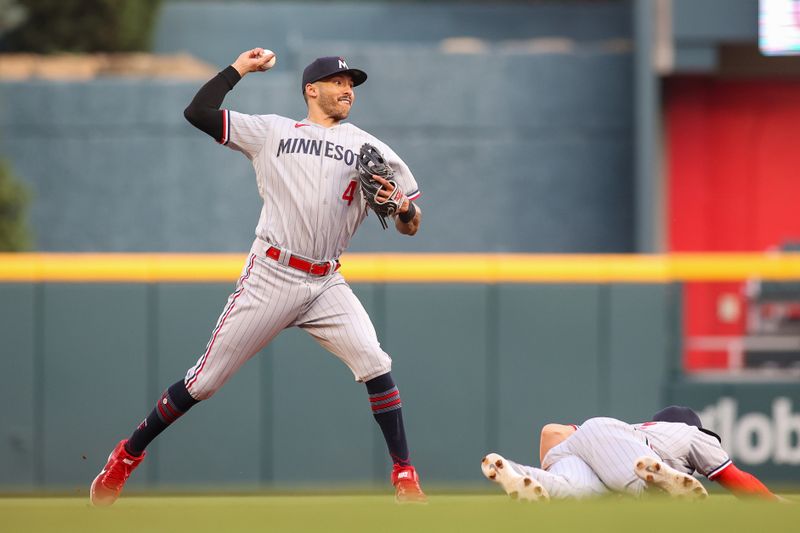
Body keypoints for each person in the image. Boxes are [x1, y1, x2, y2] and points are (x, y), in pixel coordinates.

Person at [90, 48, 426, 505]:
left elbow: (411, 224)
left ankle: (405, 474)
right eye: (338, 82)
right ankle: (127, 454)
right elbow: (198, 112)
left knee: (375, 362)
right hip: (271, 272)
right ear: (312, 89)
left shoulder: (371, 148)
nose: (348, 89)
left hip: (326, 281)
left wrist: (405, 208)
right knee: (203, 381)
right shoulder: (272, 131)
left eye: (352, 83)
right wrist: (240, 68)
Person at [481, 406, 779, 502]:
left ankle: (515, 472)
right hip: (627, 452)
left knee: (571, 492)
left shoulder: (636, 429)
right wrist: (778, 505)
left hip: (588, 442)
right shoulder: (691, 434)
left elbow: (551, 433)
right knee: (642, 486)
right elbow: (734, 477)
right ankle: (656, 480)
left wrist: (554, 461)